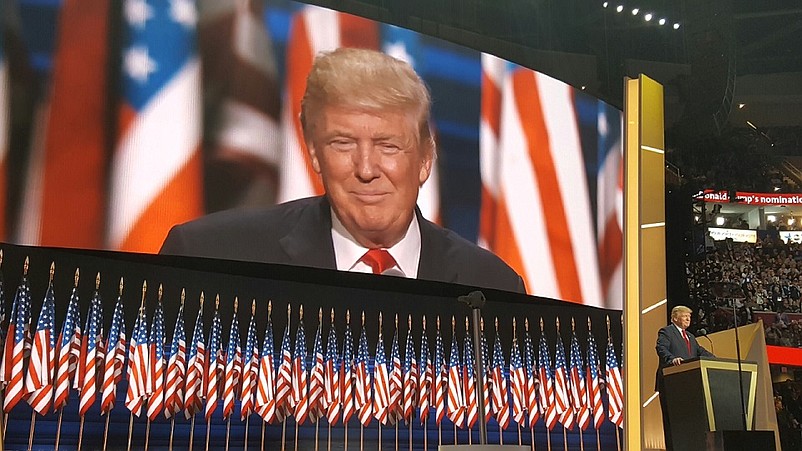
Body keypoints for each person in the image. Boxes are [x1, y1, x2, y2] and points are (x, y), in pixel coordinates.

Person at [161, 48, 525, 294]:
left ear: (426, 159)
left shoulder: (493, 286)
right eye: (343, 143)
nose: (366, 169)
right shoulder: (211, 259)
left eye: (388, 145)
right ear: (315, 153)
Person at [655, 305, 715, 451]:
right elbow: (661, 348)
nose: (688, 319)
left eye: (689, 316)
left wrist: (715, 359)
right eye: (685, 316)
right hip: (671, 383)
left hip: (689, 384)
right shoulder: (666, 332)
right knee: (673, 423)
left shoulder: (691, 337)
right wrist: (672, 359)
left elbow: (700, 351)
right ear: (675, 317)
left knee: (689, 423)